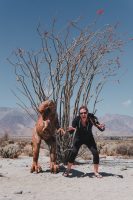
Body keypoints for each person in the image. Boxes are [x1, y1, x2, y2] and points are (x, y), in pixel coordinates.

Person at [63, 105, 105, 178]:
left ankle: (96, 172)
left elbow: (99, 127)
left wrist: (102, 127)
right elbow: (71, 131)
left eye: (85, 113)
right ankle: (67, 170)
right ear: (79, 114)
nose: (83, 114)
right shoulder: (76, 120)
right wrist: (71, 130)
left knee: (95, 153)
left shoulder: (92, 118)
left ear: (87, 113)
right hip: (78, 138)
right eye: (81, 113)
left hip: (89, 138)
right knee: (73, 152)